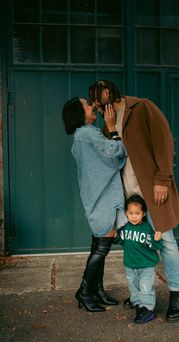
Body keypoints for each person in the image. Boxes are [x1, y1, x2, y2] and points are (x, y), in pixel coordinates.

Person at [89, 80, 179, 322]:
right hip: (128, 196)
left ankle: (176, 293)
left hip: (153, 190)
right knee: (134, 244)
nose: (99, 111)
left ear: (108, 95)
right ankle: (141, 295)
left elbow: (164, 141)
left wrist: (163, 179)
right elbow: (112, 157)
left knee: (167, 242)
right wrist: (110, 128)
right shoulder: (108, 124)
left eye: (100, 105)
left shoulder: (143, 108)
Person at [62, 97, 128, 312]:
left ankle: (97, 289)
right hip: (103, 197)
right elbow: (115, 154)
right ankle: (83, 291)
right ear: (79, 113)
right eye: (87, 104)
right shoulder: (87, 133)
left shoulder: (81, 136)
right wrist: (111, 128)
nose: (92, 106)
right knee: (102, 247)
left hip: (96, 196)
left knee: (98, 244)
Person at [114, 194, 162, 324]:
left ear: (144, 213)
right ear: (126, 213)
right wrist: (114, 236)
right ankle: (138, 304)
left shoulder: (146, 228)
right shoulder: (125, 228)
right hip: (130, 265)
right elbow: (122, 241)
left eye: (137, 213)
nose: (134, 216)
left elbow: (154, 245)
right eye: (131, 213)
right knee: (134, 286)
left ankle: (148, 309)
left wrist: (156, 239)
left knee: (145, 287)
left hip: (146, 265)